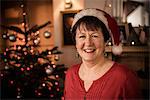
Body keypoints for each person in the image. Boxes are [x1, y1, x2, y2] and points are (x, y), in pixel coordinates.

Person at [64, 8, 142, 99]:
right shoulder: (70, 74)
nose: (88, 43)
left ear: (105, 41)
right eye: (82, 36)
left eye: (94, 36)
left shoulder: (124, 76)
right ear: (76, 43)